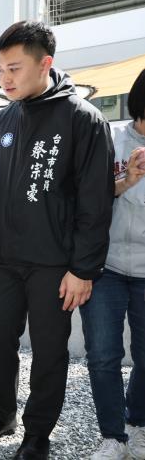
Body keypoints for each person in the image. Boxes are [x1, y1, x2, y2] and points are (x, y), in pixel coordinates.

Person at [0, 21, 114, 460]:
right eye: (0, 70)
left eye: (14, 69)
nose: (5, 79)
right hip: (5, 258)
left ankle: (37, 435)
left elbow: (96, 202)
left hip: (55, 263)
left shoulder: (82, 119)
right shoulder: (3, 119)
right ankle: (2, 415)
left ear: (45, 63)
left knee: (49, 352)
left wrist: (83, 269)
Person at [79, 69, 145, 460]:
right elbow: (88, 199)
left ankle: (137, 425)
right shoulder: (110, 138)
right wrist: (127, 181)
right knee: (103, 355)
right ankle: (112, 437)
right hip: (106, 266)